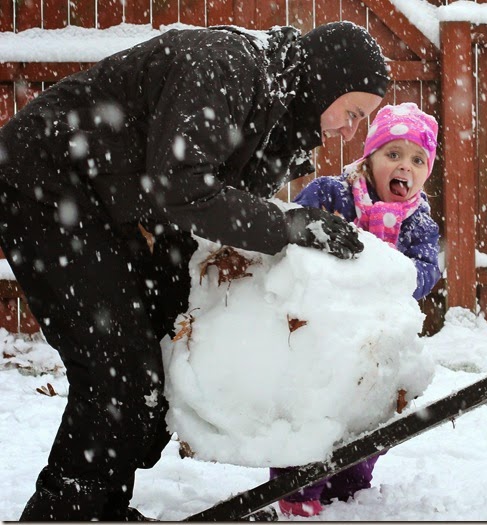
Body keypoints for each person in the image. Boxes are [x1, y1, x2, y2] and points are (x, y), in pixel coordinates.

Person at [0, 20, 389, 521]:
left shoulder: (274, 117)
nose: (350, 131)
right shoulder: (228, 65)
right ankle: (65, 512)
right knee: (116, 365)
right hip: (46, 176)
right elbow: (183, 187)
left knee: (154, 354)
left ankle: (100, 507)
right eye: (352, 112)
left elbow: (196, 211)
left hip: (104, 199)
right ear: (325, 81)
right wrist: (287, 226)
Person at [269, 102, 441, 517]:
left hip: (377, 337)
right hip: (322, 329)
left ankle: (350, 485)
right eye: (393, 154)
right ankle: (297, 491)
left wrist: (390, 271)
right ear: (370, 158)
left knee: (372, 412)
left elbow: (425, 272)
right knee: (314, 407)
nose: (405, 166)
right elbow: (294, 230)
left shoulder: (419, 223)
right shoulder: (332, 193)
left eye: (418, 159)